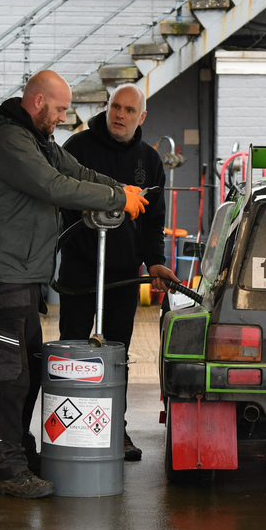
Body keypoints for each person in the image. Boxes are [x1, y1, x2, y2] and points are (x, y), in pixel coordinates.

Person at [0, 70, 149, 499]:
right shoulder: (8, 141)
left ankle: (21, 454)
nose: (65, 118)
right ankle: (7, 469)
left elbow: (76, 170)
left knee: (28, 373)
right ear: (38, 102)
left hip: (24, 275)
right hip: (3, 275)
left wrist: (121, 188)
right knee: (9, 377)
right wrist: (116, 199)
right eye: (61, 109)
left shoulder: (39, 141)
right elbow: (54, 186)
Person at [57, 83, 179, 462]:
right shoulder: (77, 148)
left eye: (129, 110)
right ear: (107, 107)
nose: (120, 115)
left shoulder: (149, 160)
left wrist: (153, 260)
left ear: (141, 117)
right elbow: (60, 201)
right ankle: (68, 430)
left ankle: (114, 429)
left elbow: (153, 220)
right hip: (80, 269)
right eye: (115, 107)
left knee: (117, 353)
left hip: (124, 272)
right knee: (73, 349)